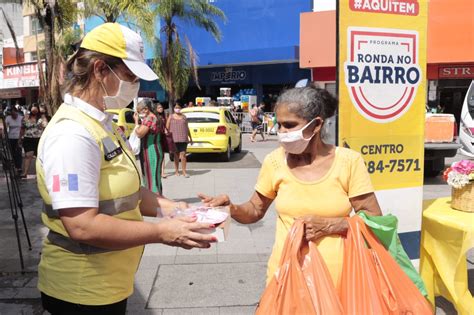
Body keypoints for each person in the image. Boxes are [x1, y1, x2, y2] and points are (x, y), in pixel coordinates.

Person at [35, 23, 216, 315]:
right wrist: (161, 233)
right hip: (81, 291)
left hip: (108, 284)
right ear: (99, 70)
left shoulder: (102, 124)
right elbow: (81, 224)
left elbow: (128, 193)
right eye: (130, 76)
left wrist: (172, 209)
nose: (136, 86)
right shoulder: (72, 135)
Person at [199, 86, 382, 289]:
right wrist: (232, 208)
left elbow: (374, 221)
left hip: (339, 282)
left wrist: (332, 225)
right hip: (286, 279)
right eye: (279, 125)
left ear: (316, 125)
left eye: (289, 125)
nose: (282, 132)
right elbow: (255, 209)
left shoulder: (349, 162)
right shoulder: (275, 161)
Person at [134, 99, 165, 194]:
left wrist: (136, 123)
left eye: (140, 111)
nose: (139, 114)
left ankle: (156, 201)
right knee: (155, 177)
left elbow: (140, 133)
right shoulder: (157, 117)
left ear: (146, 109)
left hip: (150, 150)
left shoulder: (150, 118)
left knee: (151, 178)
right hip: (156, 148)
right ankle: (158, 199)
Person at [167, 103, 192, 178]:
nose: (177, 108)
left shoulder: (184, 117)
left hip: (183, 138)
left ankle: (184, 172)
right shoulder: (171, 117)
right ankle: (177, 171)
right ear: (174, 108)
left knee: (183, 155)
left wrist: (190, 137)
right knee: (176, 156)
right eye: (176, 107)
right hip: (174, 139)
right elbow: (167, 127)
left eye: (179, 107)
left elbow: (187, 127)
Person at [20, 104, 45, 178]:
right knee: (28, 155)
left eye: (36, 110)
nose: (34, 111)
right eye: (33, 110)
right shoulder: (26, 117)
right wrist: (20, 138)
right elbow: (22, 128)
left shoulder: (41, 117)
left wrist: (43, 115)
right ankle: (25, 173)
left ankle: (39, 173)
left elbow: (45, 124)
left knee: (39, 156)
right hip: (28, 138)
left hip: (38, 138)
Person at [5, 106, 23, 175]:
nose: (13, 116)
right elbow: (6, 127)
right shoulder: (8, 118)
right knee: (12, 152)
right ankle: (15, 165)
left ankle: (19, 167)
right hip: (11, 137)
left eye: (14, 114)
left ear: (17, 112)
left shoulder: (21, 118)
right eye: (12, 114)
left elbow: (22, 128)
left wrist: (20, 138)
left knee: (18, 152)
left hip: (19, 137)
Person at [155, 103, 169, 179]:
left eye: (161, 107)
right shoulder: (155, 117)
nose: (161, 108)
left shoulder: (163, 116)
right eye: (159, 107)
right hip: (157, 137)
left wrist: (166, 130)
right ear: (156, 109)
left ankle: (162, 172)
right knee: (158, 154)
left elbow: (165, 126)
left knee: (162, 155)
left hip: (162, 137)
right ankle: (158, 171)